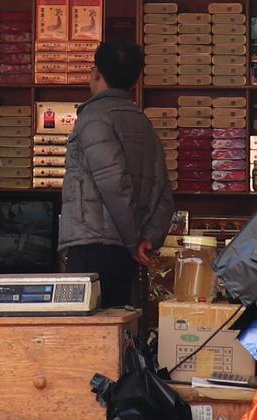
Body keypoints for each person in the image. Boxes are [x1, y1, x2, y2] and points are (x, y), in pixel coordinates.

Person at [58, 38, 176, 311]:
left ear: (97, 72)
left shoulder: (94, 117)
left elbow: (113, 184)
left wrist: (134, 241)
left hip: (93, 243)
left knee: (87, 337)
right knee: (119, 333)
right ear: (135, 81)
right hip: (127, 251)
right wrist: (148, 238)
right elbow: (164, 192)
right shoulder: (142, 122)